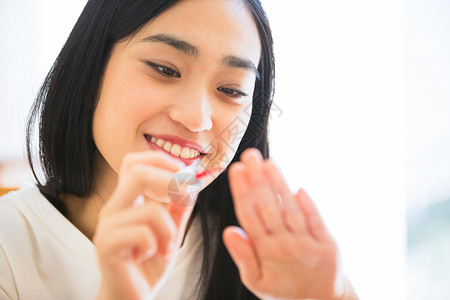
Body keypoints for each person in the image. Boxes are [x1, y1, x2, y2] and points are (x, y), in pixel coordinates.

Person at [0, 0, 359, 299]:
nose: (197, 118)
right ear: (90, 68)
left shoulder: (269, 263)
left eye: (232, 91)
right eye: (165, 69)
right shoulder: (9, 245)